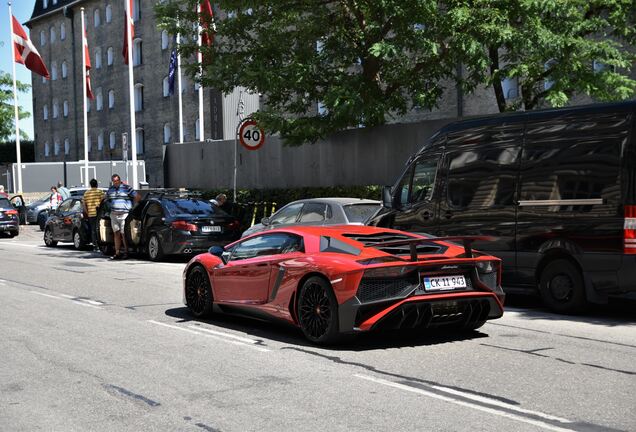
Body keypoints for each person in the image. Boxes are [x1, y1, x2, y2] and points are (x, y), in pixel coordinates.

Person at [105, 174, 140, 260]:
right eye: (114, 181)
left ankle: (126, 252)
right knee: (116, 233)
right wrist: (109, 206)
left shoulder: (127, 188)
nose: (116, 183)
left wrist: (132, 207)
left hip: (124, 214)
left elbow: (137, 196)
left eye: (117, 181)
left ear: (120, 180)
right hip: (113, 214)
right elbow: (106, 199)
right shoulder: (110, 189)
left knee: (124, 234)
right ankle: (117, 252)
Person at [82, 178, 105, 252]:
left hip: (91, 214)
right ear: (97, 184)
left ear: (90, 185)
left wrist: (87, 212)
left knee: (93, 230)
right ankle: (101, 244)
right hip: (99, 214)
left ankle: (95, 246)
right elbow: (104, 200)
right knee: (100, 229)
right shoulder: (100, 192)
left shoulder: (86, 193)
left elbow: (84, 204)